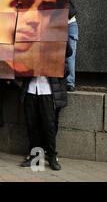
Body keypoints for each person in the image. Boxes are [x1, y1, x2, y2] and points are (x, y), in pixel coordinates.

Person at [20, 42, 72, 171]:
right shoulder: (29, 38)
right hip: (31, 89)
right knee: (32, 125)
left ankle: (52, 157)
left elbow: (66, 69)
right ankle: (35, 157)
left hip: (48, 91)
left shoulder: (57, 38)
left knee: (49, 125)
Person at [66, 0, 78, 92]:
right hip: (57, 25)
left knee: (70, 55)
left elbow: (71, 12)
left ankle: (70, 82)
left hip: (70, 25)